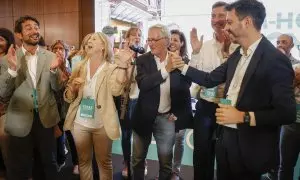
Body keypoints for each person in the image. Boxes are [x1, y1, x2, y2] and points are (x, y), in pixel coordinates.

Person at [173, 0, 296, 179]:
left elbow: (287, 113)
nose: (225, 27)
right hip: (225, 140)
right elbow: (209, 79)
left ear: (246, 22)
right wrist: (182, 66)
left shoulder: (275, 60)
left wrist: (243, 116)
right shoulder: (238, 55)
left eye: (229, 22)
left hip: (249, 147)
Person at [0, 15, 64, 180]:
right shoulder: (7, 59)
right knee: (19, 166)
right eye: (29, 28)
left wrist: (53, 71)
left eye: (36, 27)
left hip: (46, 118)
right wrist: (13, 70)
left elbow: (57, 88)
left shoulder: (50, 56)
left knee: (47, 163)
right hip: (19, 118)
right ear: (19, 34)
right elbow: (2, 92)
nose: (35, 31)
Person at [63, 32, 133, 180]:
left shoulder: (111, 68)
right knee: (83, 162)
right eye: (88, 39)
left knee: (104, 163)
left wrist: (122, 66)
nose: (89, 41)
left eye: (94, 39)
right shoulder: (79, 66)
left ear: (103, 46)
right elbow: (69, 97)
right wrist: (72, 90)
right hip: (80, 123)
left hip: (102, 124)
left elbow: (116, 90)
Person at [131, 24, 193, 180]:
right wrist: (166, 69)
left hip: (167, 118)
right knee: (137, 159)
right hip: (144, 117)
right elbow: (144, 84)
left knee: (165, 163)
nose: (150, 43)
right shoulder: (143, 60)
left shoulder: (179, 60)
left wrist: (178, 113)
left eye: (155, 39)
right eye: (149, 39)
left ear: (166, 41)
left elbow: (185, 89)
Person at [188, 2, 238, 179]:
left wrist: (228, 52)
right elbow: (193, 76)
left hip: (229, 109)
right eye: (213, 16)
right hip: (205, 107)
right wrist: (194, 53)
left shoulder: (239, 46)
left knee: (226, 157)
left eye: (221, 16)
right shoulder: (204, 46)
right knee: (202, 155)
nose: (216, 20)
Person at [168, 29, 190, 180]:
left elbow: (186, 85)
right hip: (165, 106)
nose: (172, 42)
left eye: (176, 39)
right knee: (166, 141)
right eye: (170, 39)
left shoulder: (186, 62)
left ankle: (175, 171)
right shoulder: (163, 61)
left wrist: (177, 66)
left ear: (182, 43)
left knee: (179, 140)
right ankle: (165, 170)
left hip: (181, 107)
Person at [277, 37, 300, 180]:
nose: (280, 45)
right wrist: (293, 81)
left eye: (284, 42)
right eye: (278, 42)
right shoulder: (295, 67)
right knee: (285, 165)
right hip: (291, 122)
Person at [0, 27, 15, 177]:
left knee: (4, 135)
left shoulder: (11, 59)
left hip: (7, 106)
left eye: (1, 39)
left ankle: (11, 172)